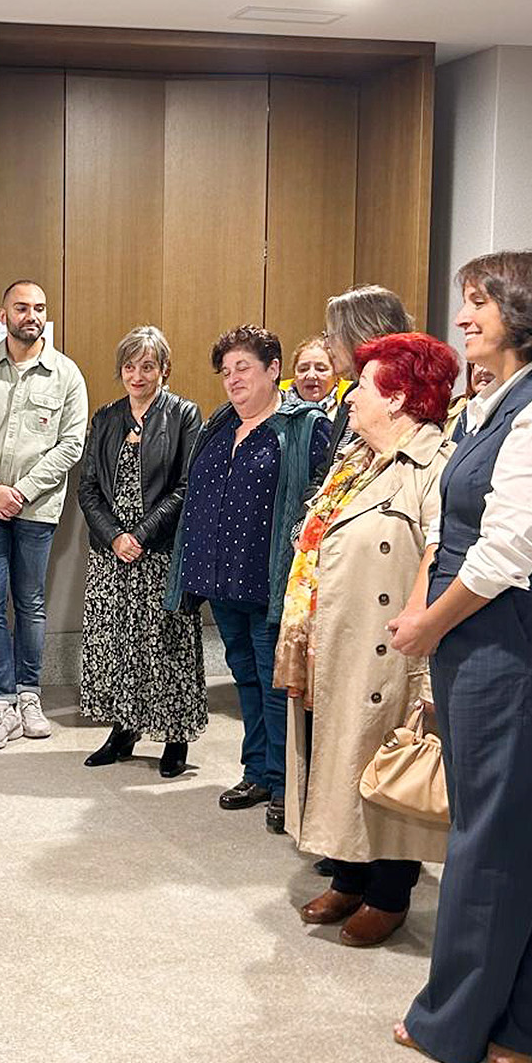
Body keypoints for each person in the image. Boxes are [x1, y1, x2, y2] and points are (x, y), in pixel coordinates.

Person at [387, 250, 532, 1063]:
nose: (465, 316)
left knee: (489, 839)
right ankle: (530, 1019)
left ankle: (455, 1018)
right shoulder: (492, 405)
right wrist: (429, 616)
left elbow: (506, 552)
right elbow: (452, 520)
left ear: (529, 312)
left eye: (481, 302)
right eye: (465, 301)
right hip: (478, 634)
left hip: (516, 639)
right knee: (496, 829)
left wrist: (428, 626)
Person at [278, 332, 458, 946]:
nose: (350, 395)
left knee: (383, 761)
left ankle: (389, 893)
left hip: (387, 647)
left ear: (402, 396)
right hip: (334, 636)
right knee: (339, 759)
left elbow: (440, 562)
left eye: (366, 385)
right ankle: (350, 876)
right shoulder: (355, 457)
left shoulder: (433, 466)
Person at [176, 325, 331, 831]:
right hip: (222, 580)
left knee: (274, 683)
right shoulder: (221, 426)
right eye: (226, 371)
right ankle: (257, 771)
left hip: (271, 583)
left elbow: (315, 504)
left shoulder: (302, 428)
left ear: (273, 370)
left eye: (243, 367)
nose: (232, 379)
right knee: (244, 675)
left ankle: (287, 784)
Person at [0, 279, 89, 750]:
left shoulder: (67, 375)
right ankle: (1, 704)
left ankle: (30, 695)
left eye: (39, 308)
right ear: (4, 313)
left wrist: (21, 492)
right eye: (22, 307)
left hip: (37, 509)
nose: (31, 315)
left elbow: (71, 445)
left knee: (30, 602)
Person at [77, 327, 206, 777]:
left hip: (160, 549)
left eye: (147, 366)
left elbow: (188, 488)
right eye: (130, 366)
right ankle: (123, 730)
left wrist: (142, 536)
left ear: (164, 370)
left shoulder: (185, 415)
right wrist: (115, 536)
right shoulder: (107, 418)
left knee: (166, 644)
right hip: (112, 552)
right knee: (119, 644)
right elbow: (89, 489)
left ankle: (175, 737)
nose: (137, 375)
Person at [319, 285, 416, 464]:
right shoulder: (352, 391)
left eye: (331, 335)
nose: (326, 345)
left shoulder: (403, 397)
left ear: (360, 334)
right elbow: (326, 469)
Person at [286, 338, 349, 418]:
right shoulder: (276, 404)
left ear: (336, 375)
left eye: (321, 369)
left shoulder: (351, 405)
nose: (311, 376)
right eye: (303, 369)